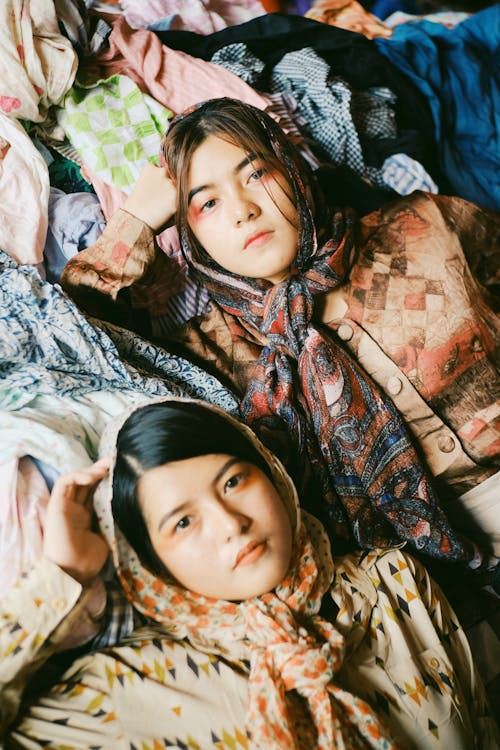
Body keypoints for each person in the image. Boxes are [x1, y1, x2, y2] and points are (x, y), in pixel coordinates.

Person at [61, 97, 500, 579]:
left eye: (255, 174)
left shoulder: (425, 226)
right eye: (207, 203)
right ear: (191, 236)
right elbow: (71, 336)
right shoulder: (215, 350)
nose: (243, 211)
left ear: (292, 172)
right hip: (441, 588)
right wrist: (137, 221)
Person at [1, 397, 498, 748]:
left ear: (272, 474)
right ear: (149, 562)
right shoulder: (123, 690)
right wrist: (59, 575)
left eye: (234, 481)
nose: (231, 525)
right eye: (183, 521)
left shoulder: (396, 585)